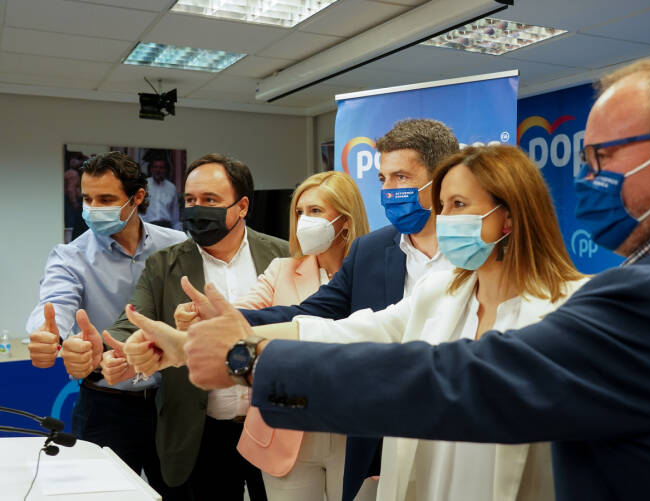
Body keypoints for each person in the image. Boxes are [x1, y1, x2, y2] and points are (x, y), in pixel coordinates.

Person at [168, 58, 650, 500]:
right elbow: (354, 329)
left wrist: (249, 362)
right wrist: (239, 331)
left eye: (604, 158)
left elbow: (461, 380)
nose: (589, 179)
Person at [123, 145, 588, 501]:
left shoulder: (572, 310)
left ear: (509, 217)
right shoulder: (440, 292)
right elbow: (341, 328)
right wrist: (206, 341)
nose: (444, 219)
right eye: (442, 206)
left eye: (459, 205)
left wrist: (243, 356)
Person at [175, 118, 458, 500]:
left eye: (401, 177)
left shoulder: (475, 254)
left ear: (441, 179)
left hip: (456, 421)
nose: (389, 190)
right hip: (385, 429)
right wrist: (232, 321)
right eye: (383, 179)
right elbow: (313, 314)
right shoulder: (372, 250)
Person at [100, 153, 288, 501]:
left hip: (274, 426)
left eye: (210, 200)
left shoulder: (284, 256)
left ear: (242, 206)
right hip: (200, 433)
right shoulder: (164, 264)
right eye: (190, 200)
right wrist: (119, 352)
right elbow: (132, 322)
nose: (197, 209)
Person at [26, 152, 186, 497]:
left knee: (180, 493)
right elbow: (54, 303)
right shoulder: (71, 256)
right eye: (87, 199)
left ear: (137, 197)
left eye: (106, 199)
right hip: (105, 406)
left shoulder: (176, 247)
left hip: (172, 403)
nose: (93, 208)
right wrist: (48, 335)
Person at [223, 170, 369, 501]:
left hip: (355, 428)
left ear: (345, 220)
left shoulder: (373, 273)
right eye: (300, 212)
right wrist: (209, 316)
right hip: (288, 426)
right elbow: (247, 311)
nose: (303, 220)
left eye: (315, 211)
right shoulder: (282, 269)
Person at [143, 153, 181, 230]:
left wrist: (177, 232)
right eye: (155, 167)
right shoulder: (144, 185)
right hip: (148, 227)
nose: (158, 170)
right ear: (151, 169)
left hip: (166, 228)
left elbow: (175, 215)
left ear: (165, 170)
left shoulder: (171, 188)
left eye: (161, 168)